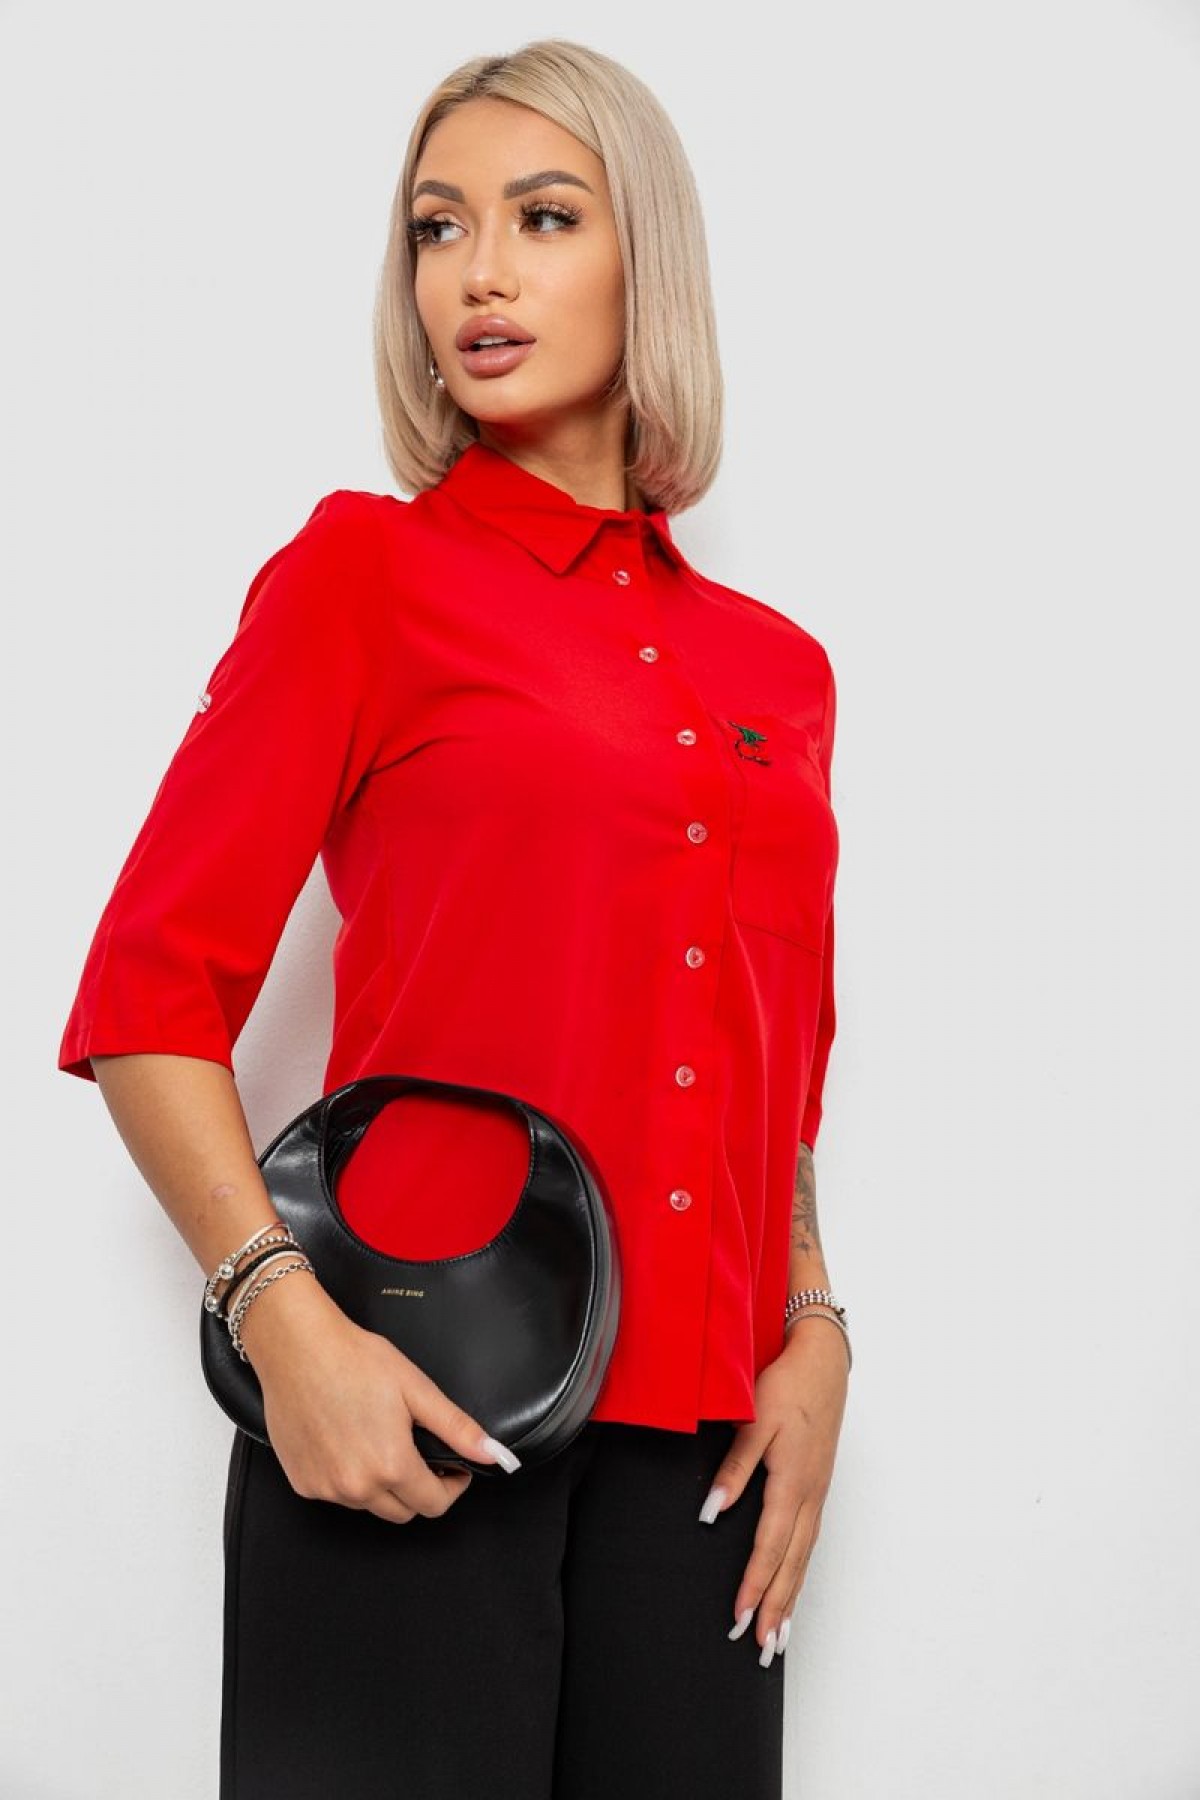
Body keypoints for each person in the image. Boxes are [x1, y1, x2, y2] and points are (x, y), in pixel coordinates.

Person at [56, 36, 850, 1800]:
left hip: (704, 1453)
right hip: (408, 1404)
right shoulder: (365, 576)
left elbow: (772, 1057)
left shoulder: (778, 673)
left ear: (647, 258)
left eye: (542, 218)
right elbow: (147, 997)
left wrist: (815, 1327)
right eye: (438, 227)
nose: (479, 273)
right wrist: (283, 1328)